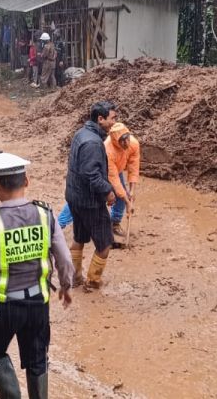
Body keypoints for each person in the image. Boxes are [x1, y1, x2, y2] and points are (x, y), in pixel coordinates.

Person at [0, 153, 74, 399]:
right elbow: (65, 259)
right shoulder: (45, 214)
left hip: (2, 308)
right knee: (38, 359)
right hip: (39, 304)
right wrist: (66, 286)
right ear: (26, 182)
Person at [56, 123, 138, 247]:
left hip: (118, 169)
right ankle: (58, 225)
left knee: (123, 195)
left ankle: (114, 222)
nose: (126, 144)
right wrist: (127, 201)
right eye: (123, 142)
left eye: (127, 140)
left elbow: (133, 166)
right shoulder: (108, 149)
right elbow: (114, 179)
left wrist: (131, 191)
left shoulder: (134, 144)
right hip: (101, 171)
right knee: (79, 200)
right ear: (116, 141)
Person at [65, 101, 119, 292]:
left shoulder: (81, 134)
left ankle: (75, 276)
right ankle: (93, 282)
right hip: (89, 202)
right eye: (112, 118)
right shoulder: (93, 143)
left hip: (74, 197)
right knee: (104, 244)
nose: (114, 122)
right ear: (100, 119)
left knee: (79, 237)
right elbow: (91, 175)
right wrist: (108, 191)